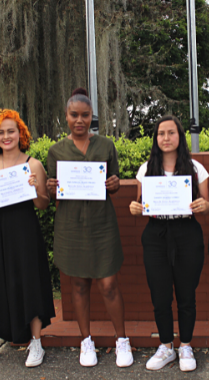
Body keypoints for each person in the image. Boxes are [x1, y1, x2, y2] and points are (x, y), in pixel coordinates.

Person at [45, 88, 132, 368]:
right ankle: (86, 342)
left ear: (92, 117)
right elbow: (52, 195)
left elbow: (114, 183)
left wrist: (115, 185)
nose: (79, 120)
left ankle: (122, 340)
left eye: (85, 115)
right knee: (79, 284)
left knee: (108, 284)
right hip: (71, 226)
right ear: (66, 116)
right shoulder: (56, 151)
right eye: (74, 115)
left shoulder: (106, 146)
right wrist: (52, 188)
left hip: (101, 224)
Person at [0, 109, 56, 368]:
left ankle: (36, 343)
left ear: (21, 134)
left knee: (29, 282)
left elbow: (44, 204)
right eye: (1, 132)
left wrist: (33, 191)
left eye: (11, 131)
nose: (6, 136)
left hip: (24, 232)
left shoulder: (33, 164)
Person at [128, 116, 209, 372]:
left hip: (187, 233)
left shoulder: (196, 168)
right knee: (160, 295)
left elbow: (207, 205)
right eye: (161, 133)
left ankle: (185, 345)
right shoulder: (146, 169)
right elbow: (140, 205)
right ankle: (166, 345)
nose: (166, 138)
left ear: (180, 136)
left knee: (186, 294)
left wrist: (203, 205)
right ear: (156, 138)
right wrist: (134, 208)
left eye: (171, 132)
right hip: (156, 235)